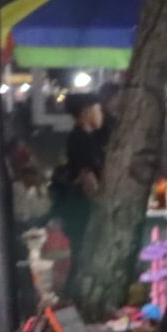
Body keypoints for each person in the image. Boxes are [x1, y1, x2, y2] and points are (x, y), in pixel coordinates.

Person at [54, 96, 111, 268]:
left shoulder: (85, 137)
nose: (100, 115)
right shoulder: (81, 138)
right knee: (83, 253)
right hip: (83, 207)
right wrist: (100, 205)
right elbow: (87, 175)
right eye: (98, 110)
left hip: (81, 205)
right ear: (86, 112)